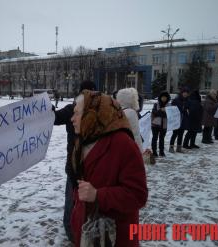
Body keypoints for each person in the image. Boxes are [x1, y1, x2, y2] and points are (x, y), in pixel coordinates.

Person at [70, 90, 148, 247]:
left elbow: (138, 195)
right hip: (87, 232)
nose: (72, 119)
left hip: (114, 236)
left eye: (77, 113)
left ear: (92, 114)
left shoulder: (123, 144)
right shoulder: (82, 141)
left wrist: (98, 195)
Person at [53, 80, 96, 242]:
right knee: (72, 198)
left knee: (88, 199)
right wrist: (46, 109)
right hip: (74, 163)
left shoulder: (99, 110)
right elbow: (55, 118)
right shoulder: (72, 109)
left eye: (92, 93)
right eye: (85, 92)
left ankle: (86, 227)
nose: (88, 96)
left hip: (93, 164)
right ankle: (71, 232)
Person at [116, 87, 143, 152]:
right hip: (129, 147)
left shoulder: (117, 110)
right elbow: (136, 134)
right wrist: (140, 151)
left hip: (118, 145)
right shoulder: (131, 113)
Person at [169, 87, 190, 153]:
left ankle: (178, 148)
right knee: (175, 134)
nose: (185, 94)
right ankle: (171, 147)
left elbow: (188, 109)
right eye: (184, 93)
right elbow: (172, 109)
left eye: (187, 93)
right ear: (182, 93)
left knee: (181, 134)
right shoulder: (176, 100)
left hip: (183, 120)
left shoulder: (187, 101)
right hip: (176, 120)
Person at [151, 91, 171, 157]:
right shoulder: (156, 104)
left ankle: (161, 152)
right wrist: (161, 110)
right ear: (160, 97)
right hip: (155, 124)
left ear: (167, 98)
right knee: (155, 138)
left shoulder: (169, 105)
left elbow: (170, 115)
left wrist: (165, 111)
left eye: (165, 97)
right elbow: (154, 113)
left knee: (162, 139)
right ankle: (154, 151)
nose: (164, 98)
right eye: (162, 97)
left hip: (164, 125)